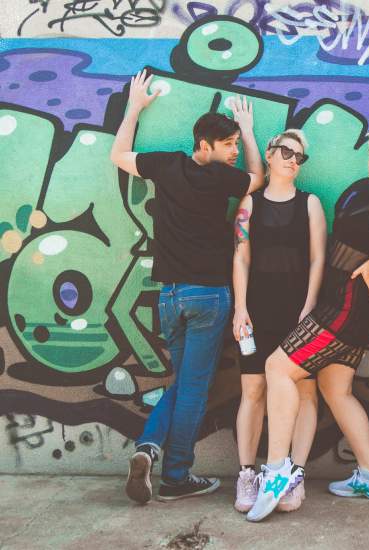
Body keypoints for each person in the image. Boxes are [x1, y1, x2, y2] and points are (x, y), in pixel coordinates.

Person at [245, 127, 369, 522]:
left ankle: (277, 471)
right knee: (336, 389)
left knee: (277, 367)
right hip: (344, 303)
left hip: (348, 306)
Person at [113, 71, 264, 503]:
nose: (234, 151)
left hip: (170, 296)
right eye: (228, 144)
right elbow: (257, 177)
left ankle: (148, 449)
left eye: (236, 144)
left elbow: (118, 154)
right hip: (208, 296)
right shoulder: (221, 178)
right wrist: (250, 131)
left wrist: (134, 107)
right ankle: (176, 474)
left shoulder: (167, 165)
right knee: (194, 388)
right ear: (205, 145)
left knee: (183, 383)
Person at [230, 129, 326, 514]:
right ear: (269, 155)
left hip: (298, 313)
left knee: (305, 392)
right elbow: (241, 257)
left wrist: (309, 307)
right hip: (256, 310)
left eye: (299, 156)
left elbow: (318, 258)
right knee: (253, 390)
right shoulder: (249, 204)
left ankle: (294, 475)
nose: (292, 160)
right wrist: (240, 307)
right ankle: (247, 474)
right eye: (286, 152)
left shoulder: (310, 203)